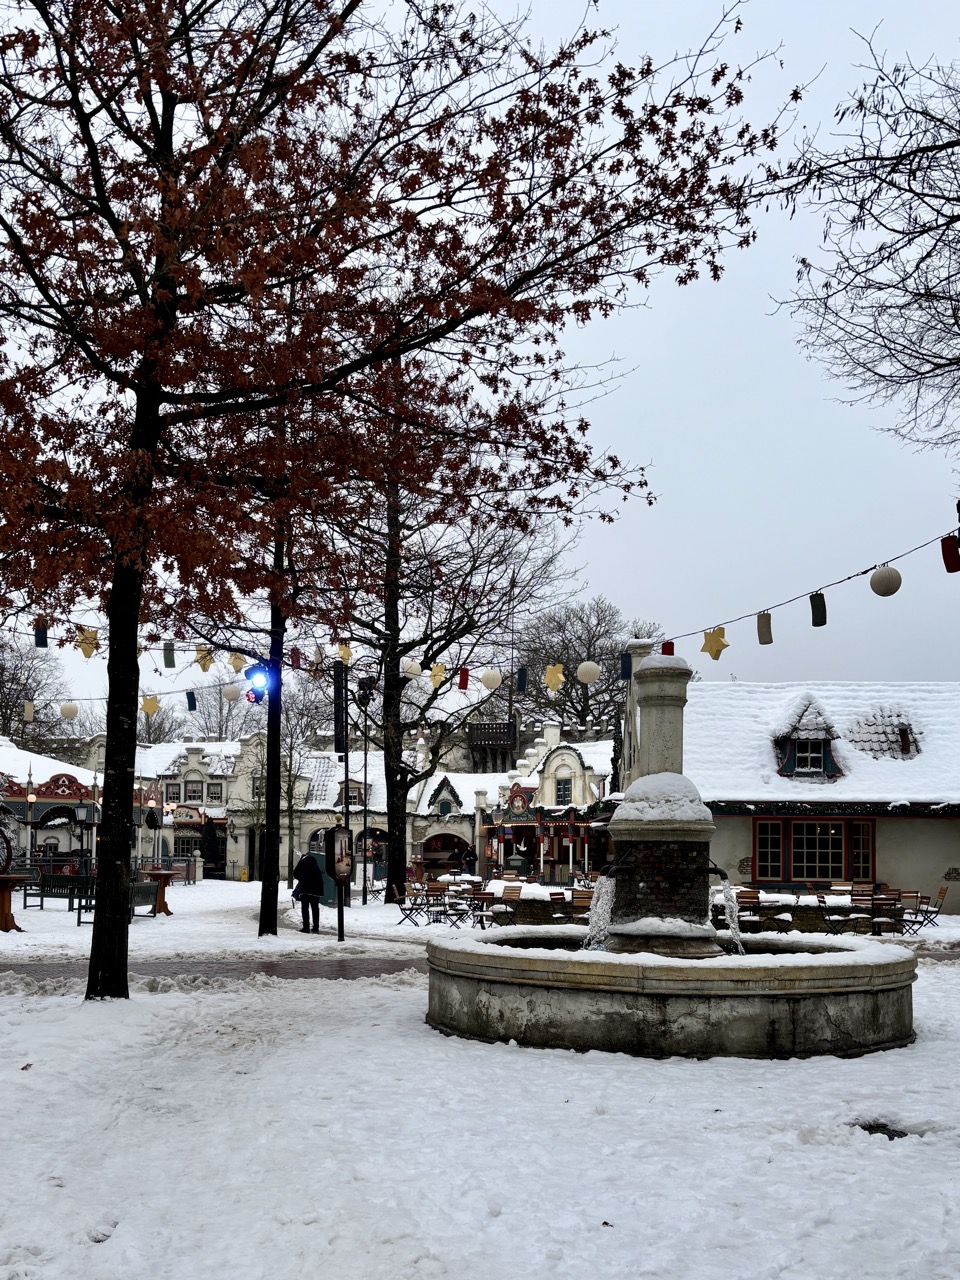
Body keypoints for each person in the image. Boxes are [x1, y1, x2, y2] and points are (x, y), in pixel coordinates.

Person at [293, 849, 324, 933]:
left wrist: (301, 878)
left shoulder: (302, 862)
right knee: (315, 908)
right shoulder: (315, 864)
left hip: (305, 889)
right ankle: (316, 927)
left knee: (305, 907)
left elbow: (295, 873)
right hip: (317, 890)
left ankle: (306, 927)